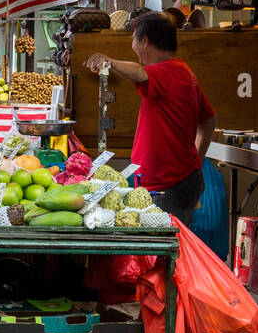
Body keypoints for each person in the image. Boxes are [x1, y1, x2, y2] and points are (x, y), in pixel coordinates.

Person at [84, 12, 216, 225]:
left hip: (168, 187)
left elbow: (139, 73)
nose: (133, 47)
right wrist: (196, 161)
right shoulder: (184, 72)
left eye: (134, 39)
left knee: (164, 250)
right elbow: (209, 119)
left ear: (144, 40)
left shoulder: (168, 72)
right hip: (179, 180)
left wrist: (110, 62)